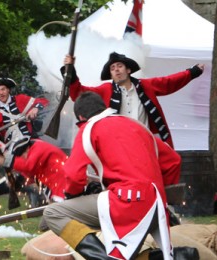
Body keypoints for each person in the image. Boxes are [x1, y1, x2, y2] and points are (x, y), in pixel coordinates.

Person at [42, 92, 198, 260]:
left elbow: (73, 175)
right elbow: (173, 161)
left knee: (52, 213)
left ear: (81, 117)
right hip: (156, 206)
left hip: (126, 203)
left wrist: (73, 196)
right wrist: (161, 194)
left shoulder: (89, 128)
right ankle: (180, 256)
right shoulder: (138, 126)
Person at [63, 52, 204, 148]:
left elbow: (169, 82)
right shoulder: (105, 89)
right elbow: (79, 94)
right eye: (112, 68)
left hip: (146, 141)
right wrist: (70, 71)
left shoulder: (145, 86)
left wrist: (191, 73)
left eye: (119, 66)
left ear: (128, 70)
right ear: (111, 74)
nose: (116, 70)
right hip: (120, 144)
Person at [0, 136, 68, 204]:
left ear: (27, 149)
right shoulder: (35, 149)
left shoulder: (38, 148)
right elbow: (30, 176)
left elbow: (29, 166)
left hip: (62, 182)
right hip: (56, 184)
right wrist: (15, 182)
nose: (23, 159)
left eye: (22, 157)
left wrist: (7, 160)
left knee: (59, 212)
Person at [0, 70, 48, 143]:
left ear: (8, 90)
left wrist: (36, 108)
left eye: (3, 89)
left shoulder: (21, 98)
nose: (1, 93)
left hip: (31, 139)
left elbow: (43, 101)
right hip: (11, 146)